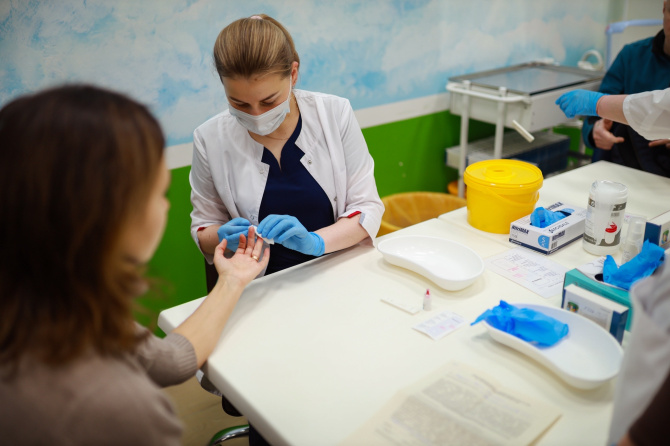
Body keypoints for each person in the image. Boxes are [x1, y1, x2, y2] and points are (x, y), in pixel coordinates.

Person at [0, 85, 269, 445]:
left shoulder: (48, 309)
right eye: (159, 194)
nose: (166, 207)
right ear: (109, 217)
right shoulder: (119, 411)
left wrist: (232, 279)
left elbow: (169, 361)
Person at [190, 14, 384, 276]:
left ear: (293, 74)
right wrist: (222, 237)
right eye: (239, 103)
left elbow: (367, 207)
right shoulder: (209, 138)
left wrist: (316, 242)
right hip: (259, 284)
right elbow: (203, 227)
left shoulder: (334, 113)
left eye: (269, 101)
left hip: (336, 272)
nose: (256, 115)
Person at [557, 87, 670, 446]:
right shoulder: (632, 60)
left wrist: (597, 102)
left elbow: (661, 107)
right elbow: (659, 107)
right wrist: (595, 116)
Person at [580, 1, 670, 176]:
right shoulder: (632, 56)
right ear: (664, 9)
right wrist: (595, 131)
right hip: (621, 172)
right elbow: (593, 117)